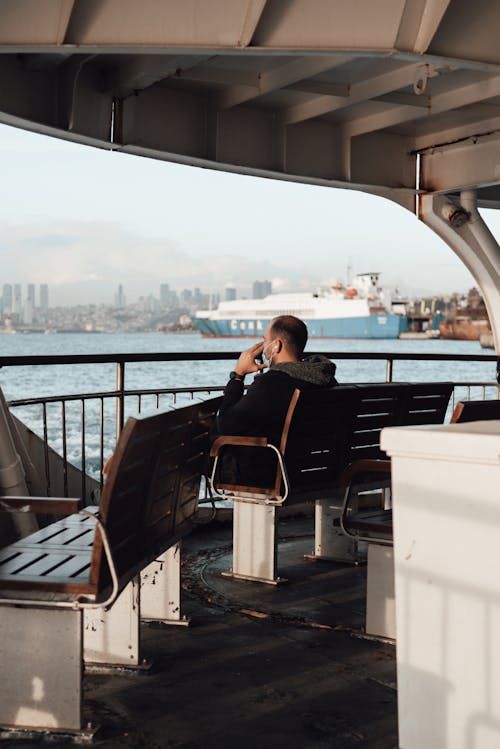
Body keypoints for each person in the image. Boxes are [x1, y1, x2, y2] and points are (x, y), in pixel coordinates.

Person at [213, 315, 338, 487]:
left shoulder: (272, 382)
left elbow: (226, 424)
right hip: (321, 470)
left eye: (265, 341)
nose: (263, 348)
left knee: (208, 441)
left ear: (276, 345)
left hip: (276, 475)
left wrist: (238, 375)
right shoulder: (326, 379)